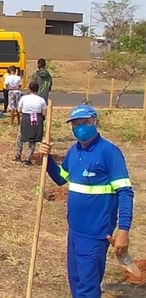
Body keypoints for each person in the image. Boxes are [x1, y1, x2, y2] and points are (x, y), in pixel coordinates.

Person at [39, 104, 134, 298]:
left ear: (96, 122)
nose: (80, 127)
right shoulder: (74, 152)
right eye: (76, 124)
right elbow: (60, 178)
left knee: (87, 287)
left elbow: (125, 192)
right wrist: (46, 158)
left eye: (85, 122)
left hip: (95, 232)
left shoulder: (109, 152)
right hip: (75, 229)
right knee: (76, 281)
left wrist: (123, 231)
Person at [13, 82, 46, 165]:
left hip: (26, 118)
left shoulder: (24, 98)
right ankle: (28, 159)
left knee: (20, 137)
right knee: (33, 139)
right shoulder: (41, 100)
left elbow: (19, 110)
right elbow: (44, 113)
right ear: (38, 90)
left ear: (29, 89)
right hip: (37, 119)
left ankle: (18, 156)